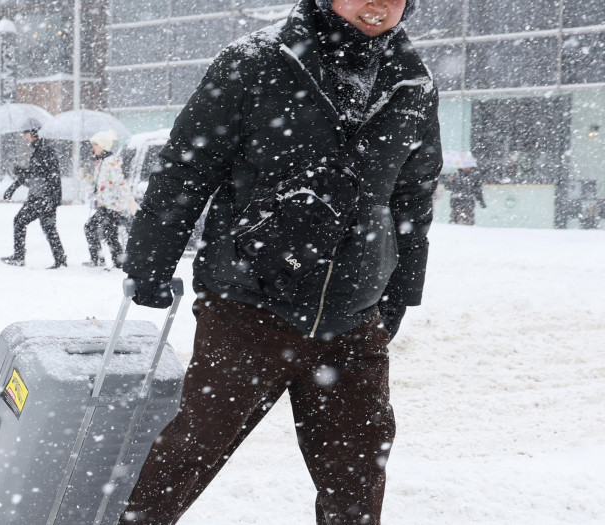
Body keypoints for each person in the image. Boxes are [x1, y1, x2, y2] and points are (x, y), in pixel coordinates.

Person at [118, 0, 440, 524]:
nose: (378, 3)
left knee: (357, 471)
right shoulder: (258, 59)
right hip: (249, 304)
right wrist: (151, 261)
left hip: (353, 315)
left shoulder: (412, 82)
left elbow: (412, 196)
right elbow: (187, 167)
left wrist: (401, 289)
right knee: (191, 450)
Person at [0, 126, 67, 269]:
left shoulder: (43, 151)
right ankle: (60, 259)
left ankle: (19, 257)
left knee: (19, 222)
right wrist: (20, 175)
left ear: (33, 134)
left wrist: (17, 181)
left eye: (27, 134)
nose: (26, 137)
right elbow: (37, 175)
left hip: (41, 197)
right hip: (45, 197)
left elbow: (39, 177)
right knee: (49, 228)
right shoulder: (42, 150)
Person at [81, 129, 133, 268]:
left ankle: (98, 259)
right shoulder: (102, 162)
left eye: (96, 145)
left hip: (110, 206)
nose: (93, 148)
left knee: (90, 228)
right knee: (110, 234)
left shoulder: (111, 163)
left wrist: (126, 200)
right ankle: (118, 262)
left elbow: (119, 182)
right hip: (106, 205)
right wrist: (87, 178)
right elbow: (99, 185)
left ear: (103, 146)